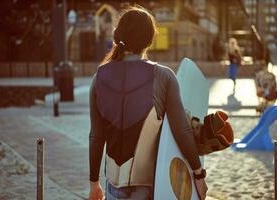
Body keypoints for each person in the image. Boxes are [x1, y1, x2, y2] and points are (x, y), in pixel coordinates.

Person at [89, 6, 207, 200]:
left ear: (119, 35)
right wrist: (198, 174)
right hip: (149, 186)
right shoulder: (163, 76)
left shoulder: (99, 77)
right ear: (149, 38)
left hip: (111, 185)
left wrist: (94, 184)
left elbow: (96, 136)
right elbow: (182, 131)